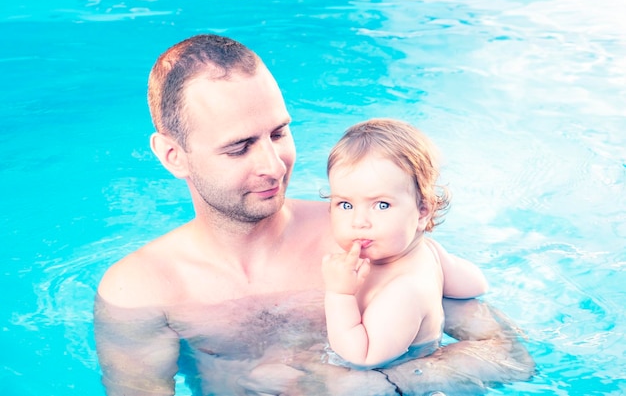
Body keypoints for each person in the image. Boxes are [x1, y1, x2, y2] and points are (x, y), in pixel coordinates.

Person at [94, 33, 535, 396]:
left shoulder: (362, 232)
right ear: (173, 156)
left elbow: (508, 356)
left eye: (279, 132)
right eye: (239, 146)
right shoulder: (141, 292)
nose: (273, 164)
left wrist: (374, 383)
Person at [322, 118, 488, 369]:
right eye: (346, 204)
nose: (359, 221)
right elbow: (474, 284)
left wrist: (339, 294)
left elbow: (361, 357)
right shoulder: (430, 252)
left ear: (422, 212)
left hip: (397, 378)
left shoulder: (404, 291)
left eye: (381, 205)